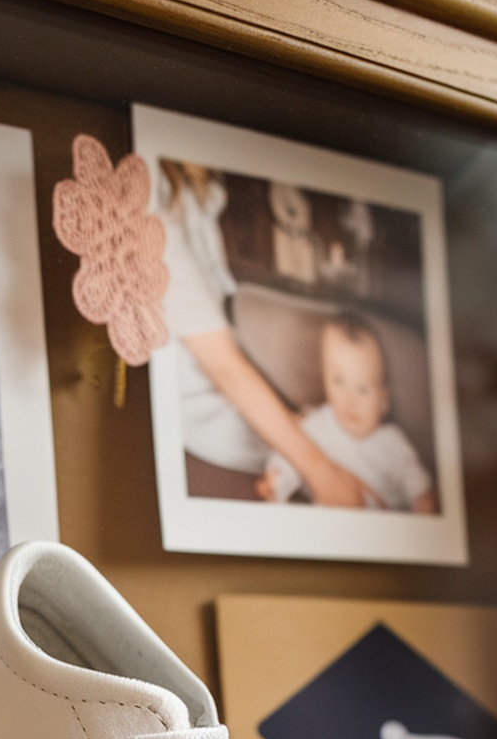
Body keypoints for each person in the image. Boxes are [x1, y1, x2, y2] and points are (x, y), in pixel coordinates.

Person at [159, 161, 372, 509]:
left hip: (246, 392)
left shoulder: (203, 189)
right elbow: (222, 364)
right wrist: (321, 471)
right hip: (212, 417)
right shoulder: (157, 190)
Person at [262, 314, 437, 512]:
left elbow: (421, 493)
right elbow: (291, 454)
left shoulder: (392, 444)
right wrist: (277, 480)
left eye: (362, 389)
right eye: (338, 381)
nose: (350, 400)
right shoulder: (317, 425)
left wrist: (423, 506)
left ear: (384, 401)